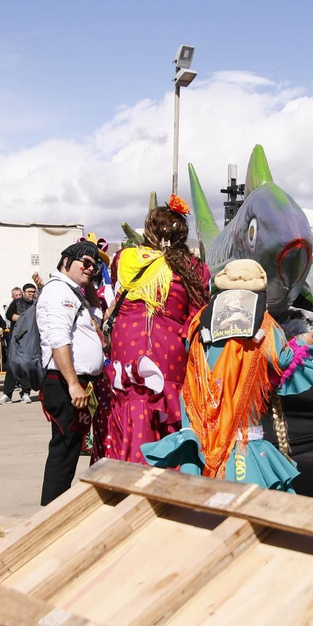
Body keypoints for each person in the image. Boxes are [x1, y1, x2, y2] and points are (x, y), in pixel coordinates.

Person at [143, 259, 313, 490]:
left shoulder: (201, 318)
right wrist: (302, 343)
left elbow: (190, 349)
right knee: (248, 488)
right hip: (241, 416)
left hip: (203, 408)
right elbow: (282, 360)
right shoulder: (263, 322)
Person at [105, 199, 210, 464]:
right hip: (168, 349)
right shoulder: (194, 268)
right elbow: (198, 314)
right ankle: (168, 467)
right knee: (165, 402)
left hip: (126, 343)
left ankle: (129, 467)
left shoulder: (125, 258)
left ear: (150, 231)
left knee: (131, 401)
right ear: (181, 233)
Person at [37, 242, 107, 504]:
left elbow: (96, 312)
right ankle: (50, 511)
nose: (90, 269)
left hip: (76, 381)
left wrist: (88, 279)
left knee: (71, 447)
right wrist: (73, 383)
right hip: (65, 381)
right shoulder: (59, 291)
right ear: (66, 262)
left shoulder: (72, 291)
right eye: (85, 263)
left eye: (95, 265)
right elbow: (58, 339)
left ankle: (55, 507)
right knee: (64, 449)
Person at [0, 283, 39, 404]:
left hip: (31, 340)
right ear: (24, 292)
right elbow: (10, 315)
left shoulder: (37, 303)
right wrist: (26, 318)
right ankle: (7, 394)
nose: (31, 294)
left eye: (33, 291)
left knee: (27, 366)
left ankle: (25, 393)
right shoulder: (17, 303)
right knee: (12, 366)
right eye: (29, 292)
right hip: (16, 340)